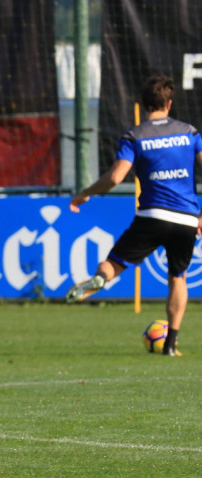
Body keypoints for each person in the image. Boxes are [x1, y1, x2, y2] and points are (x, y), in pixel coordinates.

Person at [66, 73, 202, 356]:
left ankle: (99, 281)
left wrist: (86, 192)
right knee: (178, 277)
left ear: (142, 103)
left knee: (114, 264)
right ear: (170, 103)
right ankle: (171, 344)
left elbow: (115, 177)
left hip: (152, 215)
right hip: (186, 218)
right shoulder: (189, 132)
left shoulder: (134, 137)